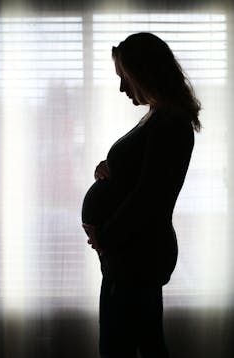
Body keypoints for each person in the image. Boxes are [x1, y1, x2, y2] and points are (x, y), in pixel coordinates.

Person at [81, 32, 201, 358]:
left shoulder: (171, 122)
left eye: (126, 78)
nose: (122, 89)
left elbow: (151, 197)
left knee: (124, 347)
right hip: (131, 252)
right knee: (140, 341)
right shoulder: (158, 117)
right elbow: (142, 177)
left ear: (146, 73)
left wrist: (105, 234)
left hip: (138, 254)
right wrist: (110, 169)